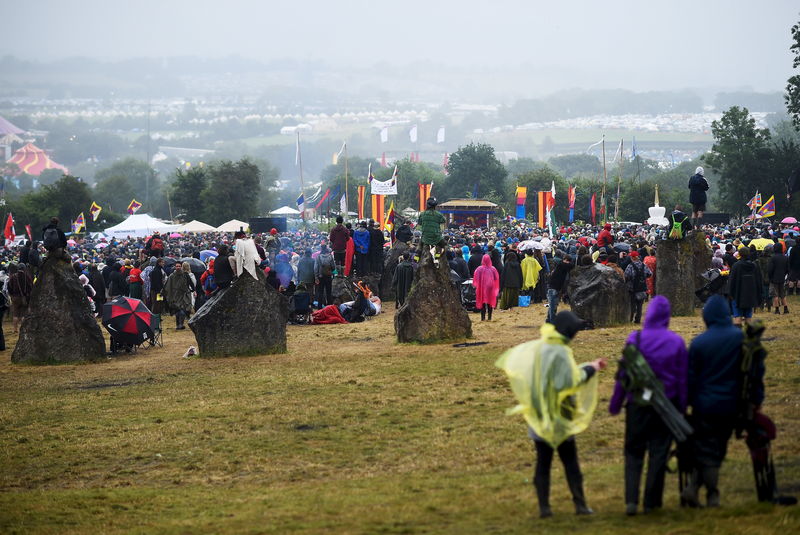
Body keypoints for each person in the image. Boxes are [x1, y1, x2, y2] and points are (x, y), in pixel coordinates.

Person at [495, 311, 606, 518]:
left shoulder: (543, 346)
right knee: (570, 461)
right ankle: (580, 505)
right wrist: (590, 371)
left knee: (543, 462)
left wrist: (588, 366)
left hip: (538, 413)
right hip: (559, 414)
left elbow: (559, 374)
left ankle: (544, 507)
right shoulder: (561, 352)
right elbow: (568, 382)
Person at [609, 296, 688, 515]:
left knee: (634, 452)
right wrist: (682, 407)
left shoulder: (636, 338)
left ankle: (631, 501)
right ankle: (652, 502)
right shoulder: (676, 342)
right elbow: (683, 379)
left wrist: (616, 402)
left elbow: (624, 373)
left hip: (638, 404)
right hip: (666, 405)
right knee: (659, 453)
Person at [682, 295, 743, 508]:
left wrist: (686, 402)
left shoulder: (699, 343)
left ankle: (698, 488)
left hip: (704, 403)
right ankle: (710, 493)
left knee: (706, 446)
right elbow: (751, 372)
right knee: (718, 446)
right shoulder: (739, 338)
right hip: (732, 402)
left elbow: (690, 377)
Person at [729, 247, 761, 325]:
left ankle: (738, 335)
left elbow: (732, 280)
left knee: (737, 316)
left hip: (738, 294)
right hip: (750, 294)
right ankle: (748, 334)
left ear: (739, 254)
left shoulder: (736, 266)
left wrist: (730, 293)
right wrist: (758, 294)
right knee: (748, 317)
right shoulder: (754, 266)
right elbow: (758, 280)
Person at [163, 262, 195, 329]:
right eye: (177, 266)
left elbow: (190, 283)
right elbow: (168, 285)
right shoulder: (172, 276)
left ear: (181, 267)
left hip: (183, 295)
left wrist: (192, 290)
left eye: (179, 266)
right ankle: (179, 325)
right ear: (175, 267)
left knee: (183, 309)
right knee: (178, 310)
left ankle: (180, 324)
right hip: (175, 296)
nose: (178, 267)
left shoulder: (185, 275)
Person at [624, 251, 652, 324]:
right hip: (642, 287)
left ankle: (630, 319)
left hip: (632, 288)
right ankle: (638, 320)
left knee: (632, 305)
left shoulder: (630, 266)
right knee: (640, 305)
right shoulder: (644, 265)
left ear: (633, 257)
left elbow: (626, 276)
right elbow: (650, 274)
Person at [546, 253, 574, 323]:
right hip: (553, 288)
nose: (568, 263)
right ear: (565, 260)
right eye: (568, 261)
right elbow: (571, 266)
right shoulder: (561, 264)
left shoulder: (560, 265)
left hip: (554, 288)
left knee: (553, 306)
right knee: (552, 306)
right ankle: (552, 321)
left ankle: (549, 320)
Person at [6, 263, 32, 333]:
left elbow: (9, 287)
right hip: (24, 297)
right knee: (24, 313)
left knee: (15, 313)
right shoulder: (27, 277)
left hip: (15, 297)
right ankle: (23, 329)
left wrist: (11, 295)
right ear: (24, 268)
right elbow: (30, 287)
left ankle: (15, 329)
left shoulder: (13, 277)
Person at [473, 254, 499, 321]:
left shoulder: (479, 269)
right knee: (490, 302)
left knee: (483, 302)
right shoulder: (493, 269)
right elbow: (496, 278)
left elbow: (476, 278)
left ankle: (483, 318)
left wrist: (476, 285)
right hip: (491, 287)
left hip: (482, 288)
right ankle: (489, 317)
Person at [767, 244, 790, 314]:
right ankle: (786, 309)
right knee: (783, 294)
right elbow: (787, 269)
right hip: (782, 277)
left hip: (774, 278)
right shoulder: (785, 257)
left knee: (775, 295)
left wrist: (770, 277)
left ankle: (777, 310)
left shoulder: (773, 258)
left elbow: (770, 269)